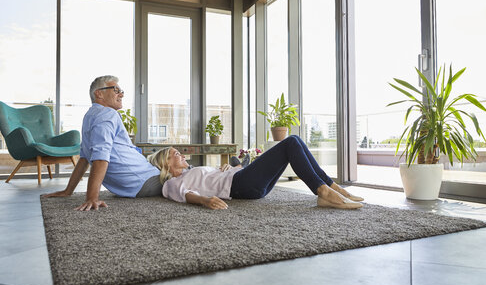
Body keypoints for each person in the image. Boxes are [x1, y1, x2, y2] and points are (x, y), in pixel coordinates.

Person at [42, 75, 163, 211]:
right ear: (99, 93)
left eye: (121, 91)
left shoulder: (90, 116)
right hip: (144, 179)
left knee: (181, 170)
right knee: (186, 177)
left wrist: (68, 191)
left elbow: (84, 159)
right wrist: (92, 198)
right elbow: (100, 156)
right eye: (116, 90)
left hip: (136, 181)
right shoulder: (107, 114)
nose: (121, 94)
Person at [147, 135, 364, 210]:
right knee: (289, 144)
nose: (182, 155)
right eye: (176, 154)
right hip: (241, 185)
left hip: (241, 179)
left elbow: (208, 179)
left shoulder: (191, 171)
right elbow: (186, 195)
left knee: (295, 140)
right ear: (166, 163)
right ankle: (323, 192)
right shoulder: (171, 184)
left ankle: (331, 187)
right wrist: (205, 201)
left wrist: (225, 169)